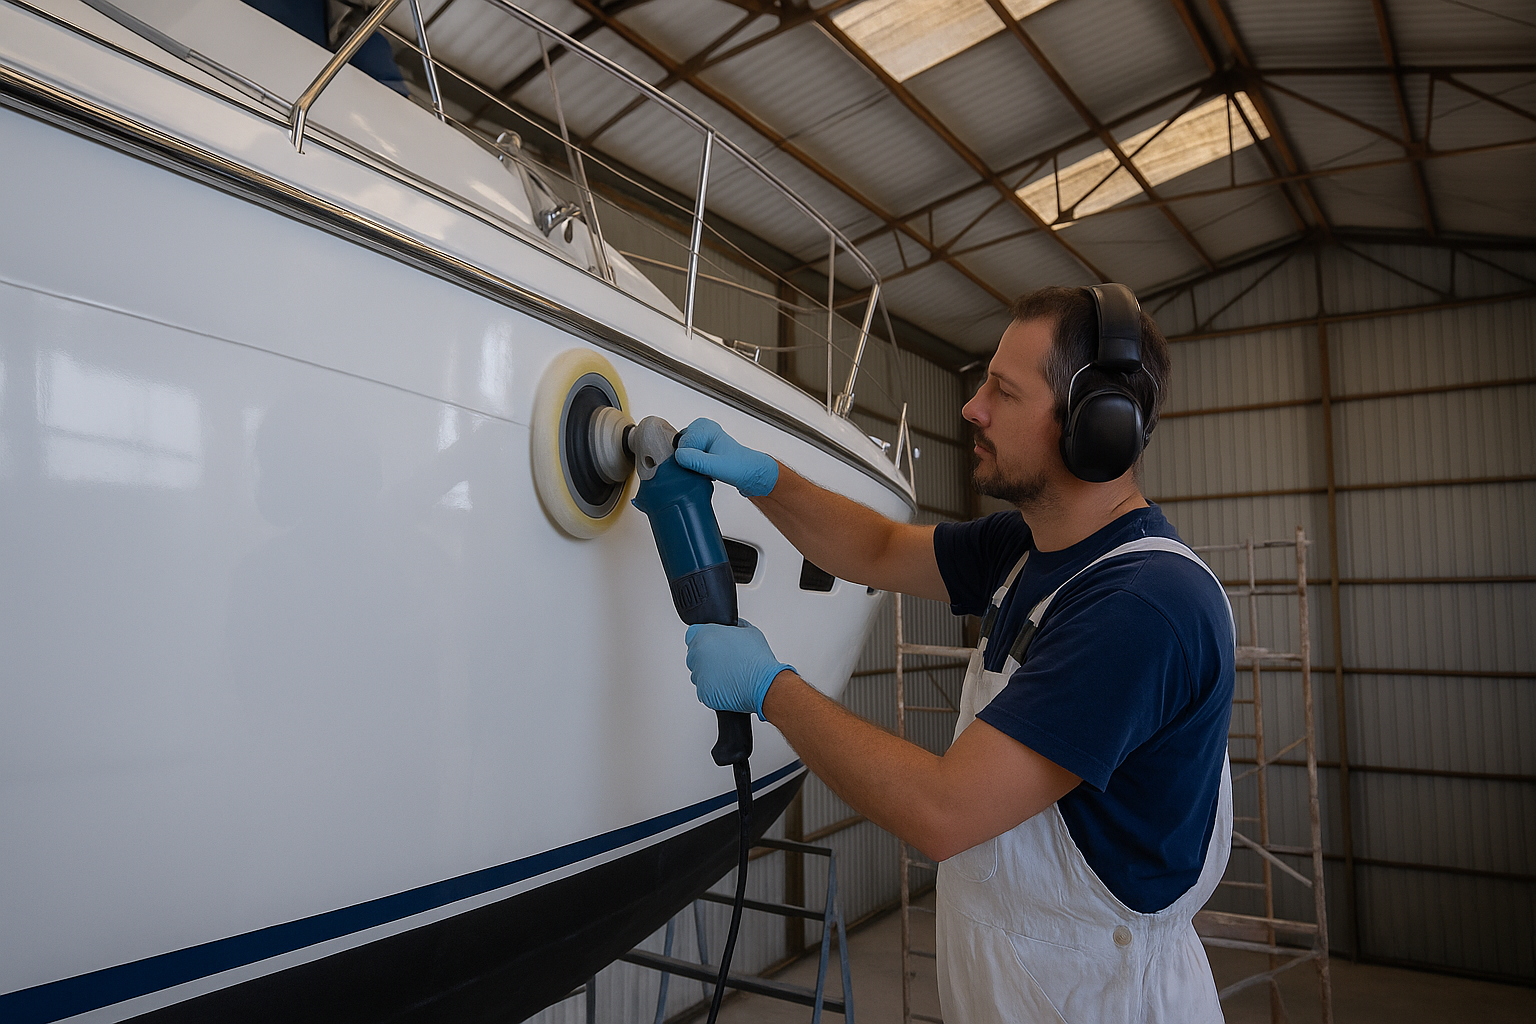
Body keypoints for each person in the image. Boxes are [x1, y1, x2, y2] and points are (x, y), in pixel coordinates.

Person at [674, 285, 1236, 1023]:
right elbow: (877, 548)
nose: (973, 408)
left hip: (1102, 1001)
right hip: (1023, 985)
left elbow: (943, 811)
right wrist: (766, 479)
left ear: (1096, 426)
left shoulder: (1141, 605)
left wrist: (768, 688)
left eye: (1004, 391)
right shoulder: (1024, 548)